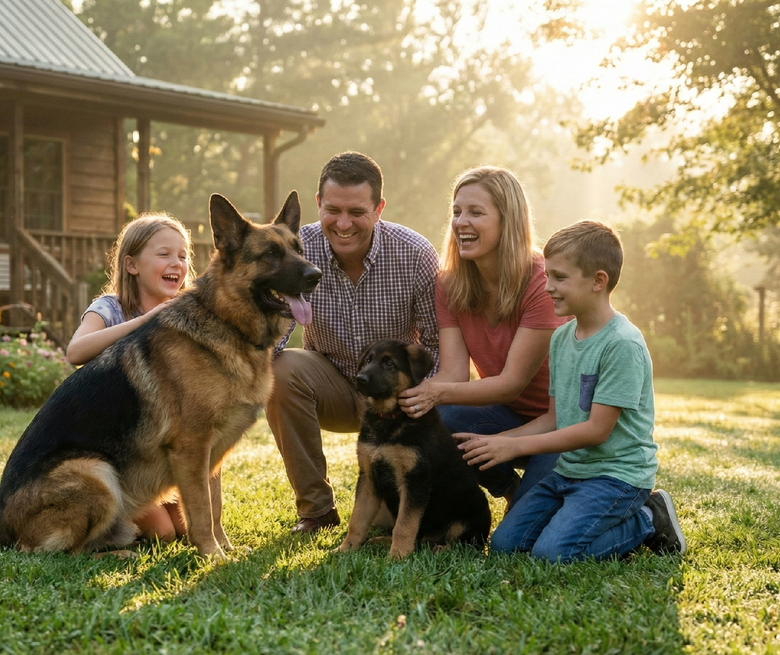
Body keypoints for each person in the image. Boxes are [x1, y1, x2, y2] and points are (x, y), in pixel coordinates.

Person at [462, 220, 687, 562]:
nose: (547, 286)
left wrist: (515, 445)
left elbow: (596, 431)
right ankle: (575, 519)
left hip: (616, 477)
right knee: (506, 546)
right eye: (547, 275)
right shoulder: (562, 338)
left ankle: (648, 518)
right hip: (569, 471)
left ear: (599, 281)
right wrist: (499, 441)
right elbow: (555, 418)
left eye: (559, 278)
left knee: (553, 555)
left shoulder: (621, 344)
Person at [267, 151, 440, 534]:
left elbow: (436, 343)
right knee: (280, 371)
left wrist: (423, 396)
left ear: (379, 209)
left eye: (357, 212)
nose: (343, 224)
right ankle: (316, 510)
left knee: (381, 524)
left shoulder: (415, 254)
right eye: (333, 210)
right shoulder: (296, 250)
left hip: (396, 396)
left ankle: (398, 502)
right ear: (318, 204)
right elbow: (273, 336)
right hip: (332, 384)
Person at [397, 166, 567, 508]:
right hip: (506, 419)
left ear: (509, 221)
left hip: (560, 427)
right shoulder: (449, 283)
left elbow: (511, 383)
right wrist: (415, 398)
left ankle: (647, 510)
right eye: (457, 212)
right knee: (442, 418)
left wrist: (433, 392)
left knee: (523, 542)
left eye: (476, 212)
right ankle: (511, 492)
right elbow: (454, 375)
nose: (461, 222)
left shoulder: (540, 281)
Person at [65, 213, 196, 542]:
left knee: (185, 528)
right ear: (132, 264)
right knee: (164, 533)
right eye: (164, 254)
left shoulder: (187, 311)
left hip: (158, 449)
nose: (176, 263)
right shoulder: (111, 307)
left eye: (183, 256)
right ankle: (105, 540)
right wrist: (146, 321)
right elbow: (76, 352)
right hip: (117, 454)